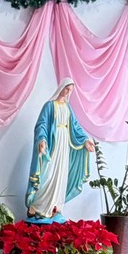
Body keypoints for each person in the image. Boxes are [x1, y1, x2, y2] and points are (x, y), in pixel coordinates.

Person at [25, 78, 95, 222]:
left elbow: (75, 126)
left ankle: (54, 207)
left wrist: (85, 140)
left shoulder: (68, 107)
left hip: (64, 145)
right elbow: (41, 124)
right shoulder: (50, 106)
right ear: (61, 88)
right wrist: (42, 140)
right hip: (53, 144)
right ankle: (37, 206)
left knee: (60, 175)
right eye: (66, 89)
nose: (68, 92)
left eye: (70, 90)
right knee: (48, 173)